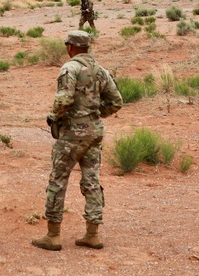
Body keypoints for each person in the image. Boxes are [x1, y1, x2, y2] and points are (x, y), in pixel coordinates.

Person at [33, 30, 123, 252]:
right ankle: (92, 234)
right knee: (91, 181)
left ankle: (53, 236)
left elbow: (64, 99)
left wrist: (53, 117)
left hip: (72, 134)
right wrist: (94, 113)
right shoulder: (101, 70)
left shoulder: (69, 68)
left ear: (70, 47)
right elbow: (116, 101)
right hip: (94, 132)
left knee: (58, 181)